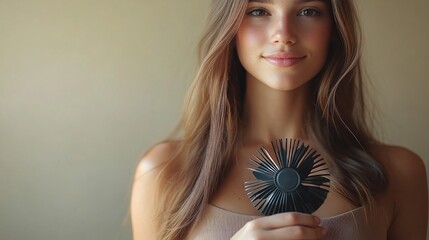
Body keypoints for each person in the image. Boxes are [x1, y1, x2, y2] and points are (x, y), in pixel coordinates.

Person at [131, 0, 428, 239]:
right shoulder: (164, 173)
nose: (283, 33)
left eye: (308, 11)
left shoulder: (399, 174)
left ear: (335, 28)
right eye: (259, 11)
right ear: (230, 27)